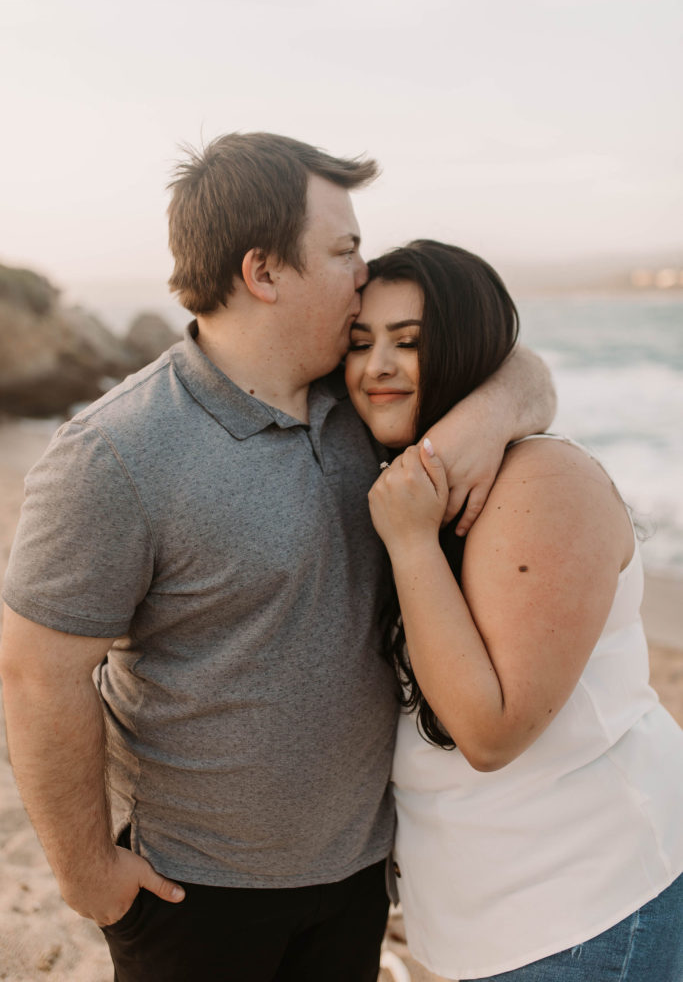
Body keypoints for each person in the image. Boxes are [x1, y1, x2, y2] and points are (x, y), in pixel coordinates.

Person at [0, 136, 555, 982]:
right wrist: (88, 876)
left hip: (361, 872)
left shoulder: (358, 397)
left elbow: (513, 361)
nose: (363, 273)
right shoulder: (115, 453)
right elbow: (37, 674)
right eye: (343, 251)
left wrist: (487, 419)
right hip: (193, 894)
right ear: (265, 273)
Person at [344, 239, 683, 982]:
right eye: (359, 342)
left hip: (589, 908)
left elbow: (490, 730)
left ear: (465, 349)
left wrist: (408, 543)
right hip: (486, 920)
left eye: (410, 343)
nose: (377, 367)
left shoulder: (541, 481)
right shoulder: (402, 475)